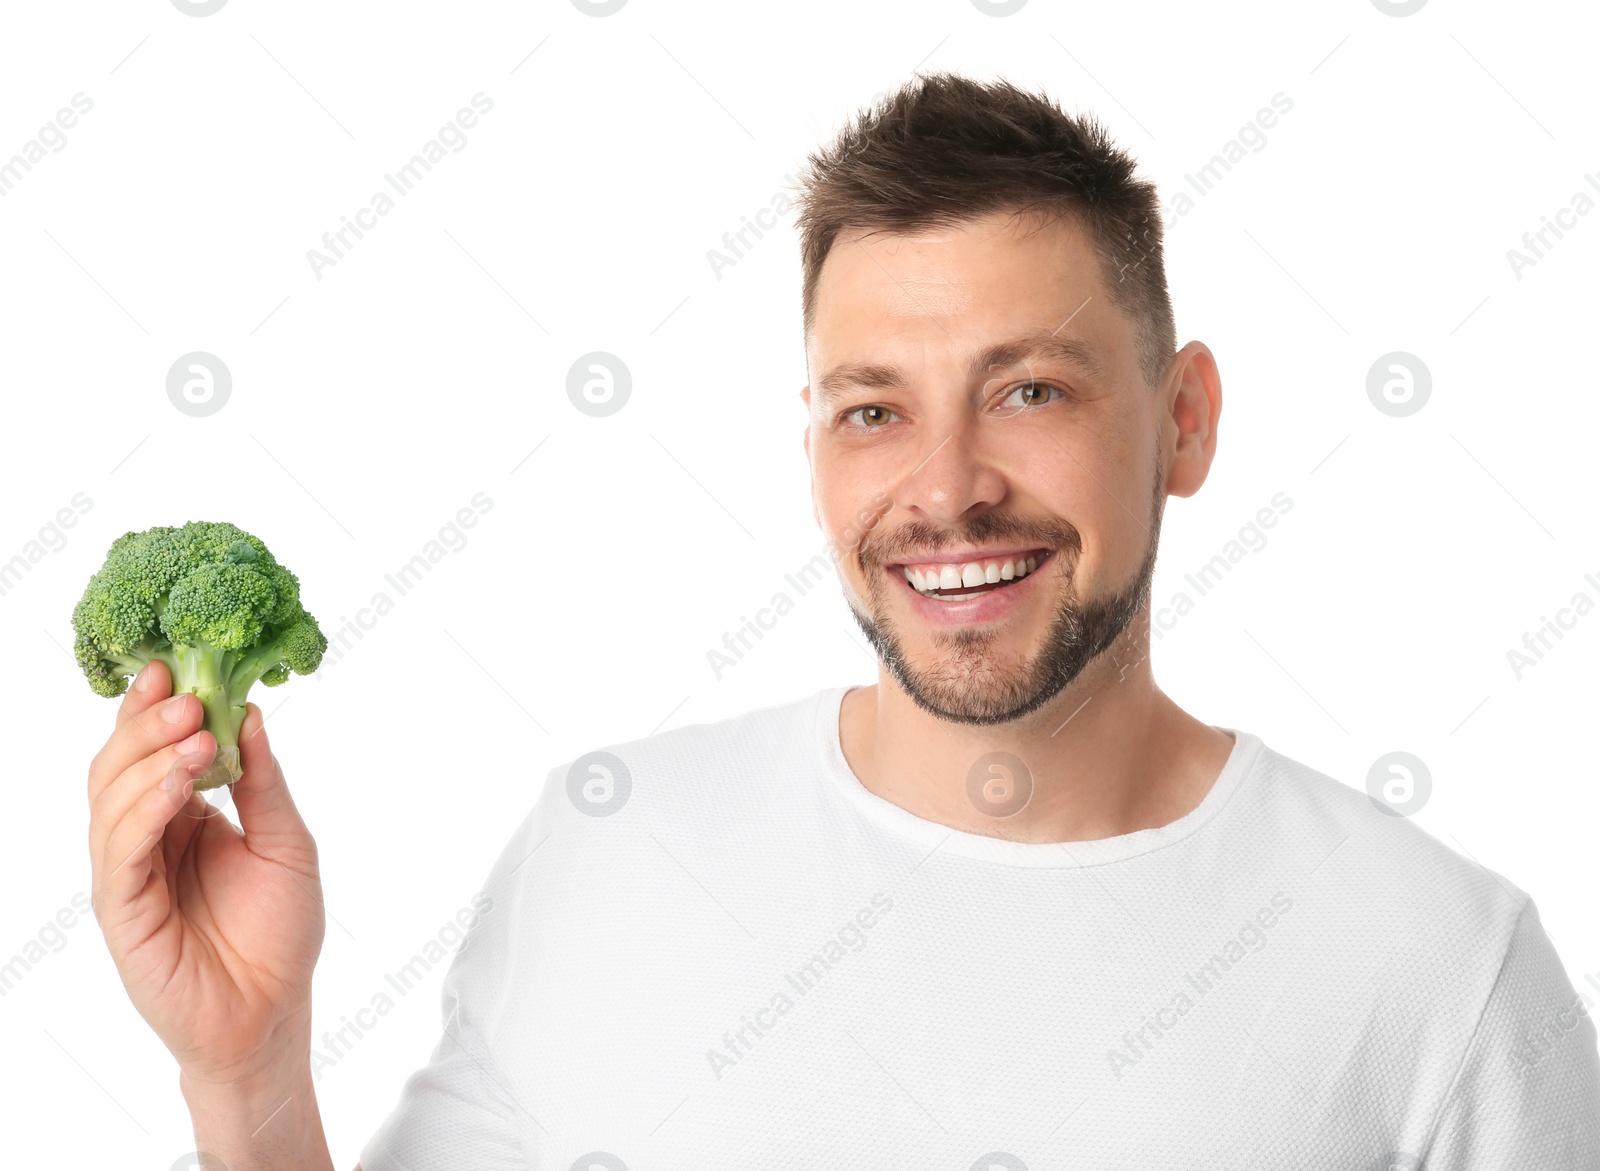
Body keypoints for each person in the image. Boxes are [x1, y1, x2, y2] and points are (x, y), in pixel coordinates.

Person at [85, 72, 1600, 1170]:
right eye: (875, 410)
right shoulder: (610, 850)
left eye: (1030, 389)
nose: (945, 490)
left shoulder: (1440, 971)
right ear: (812, 447)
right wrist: (251, 1076)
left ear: (1184, 422)